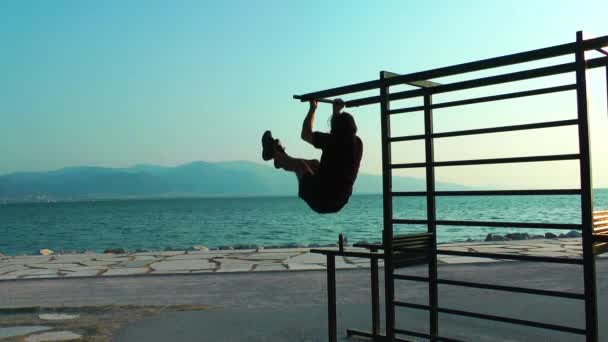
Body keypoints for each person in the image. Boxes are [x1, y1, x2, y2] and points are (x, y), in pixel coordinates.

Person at [261, 99, 363, 214]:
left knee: (300, 166)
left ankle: (274, 154)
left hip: (322, 199)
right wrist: (336, 112)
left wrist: (312, 109)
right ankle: (281, 158)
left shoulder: (331, 140)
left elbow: (305, 134)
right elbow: (339, 133)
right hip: (338, 200)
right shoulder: (358, 143)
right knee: (315, 164)